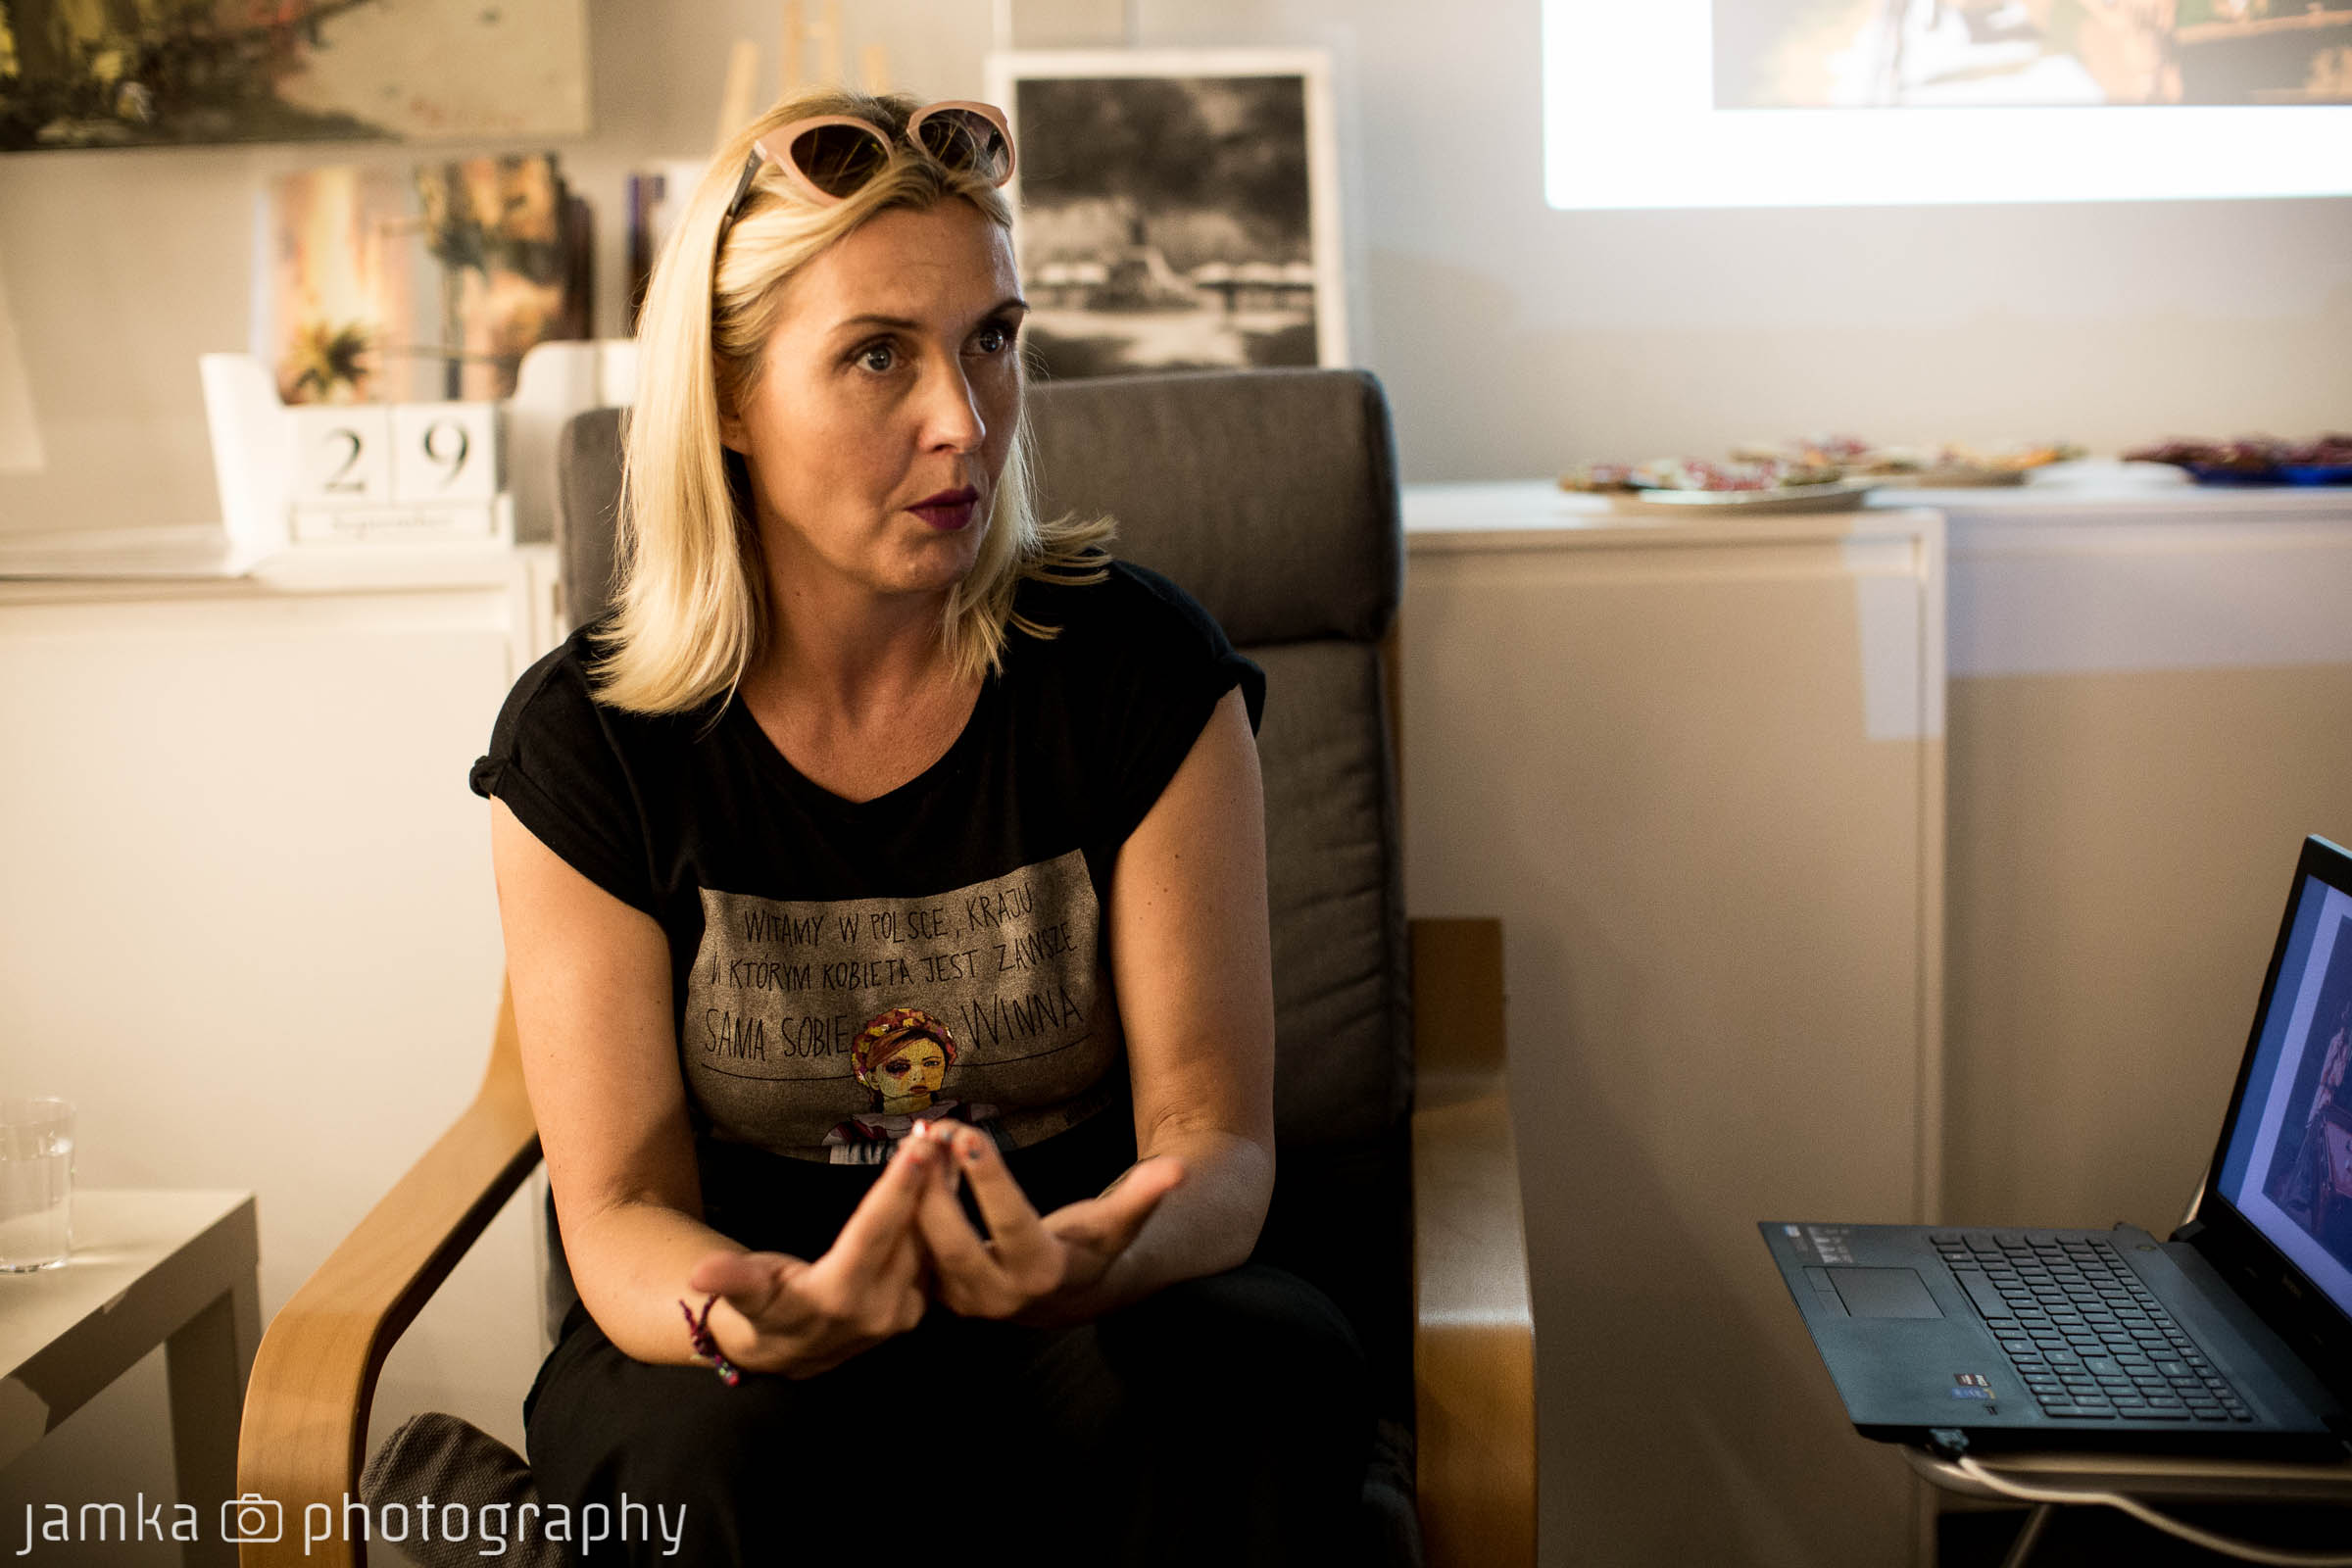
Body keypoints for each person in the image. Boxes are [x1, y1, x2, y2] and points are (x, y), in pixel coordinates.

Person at [466, 87, 1369, 1565]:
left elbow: (1215, 1142)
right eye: (878, 354)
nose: (964, 419)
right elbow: (620, 1205)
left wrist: (1098, 1255)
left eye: (991, 340)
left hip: (1093, 1315)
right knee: (689, 1453)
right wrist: (755, 1314)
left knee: (1252, 1375)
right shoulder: (588, 745)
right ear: (732, 398)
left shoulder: (1139, 673)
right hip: (750, 1324)